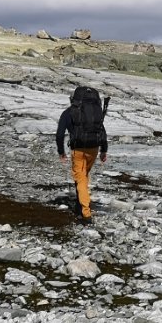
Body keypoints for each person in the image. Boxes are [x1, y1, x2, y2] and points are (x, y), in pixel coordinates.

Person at [55, 85, 108, 222]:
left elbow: (60, 134)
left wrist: (61, 152)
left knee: (81, 179)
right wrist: (104, 150)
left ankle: (86, 213)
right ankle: (80, 204)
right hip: (94, 149)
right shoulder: (95, 112)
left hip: (78, 150)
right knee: (83, 176)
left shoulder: (68, 112)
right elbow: (101, 130)